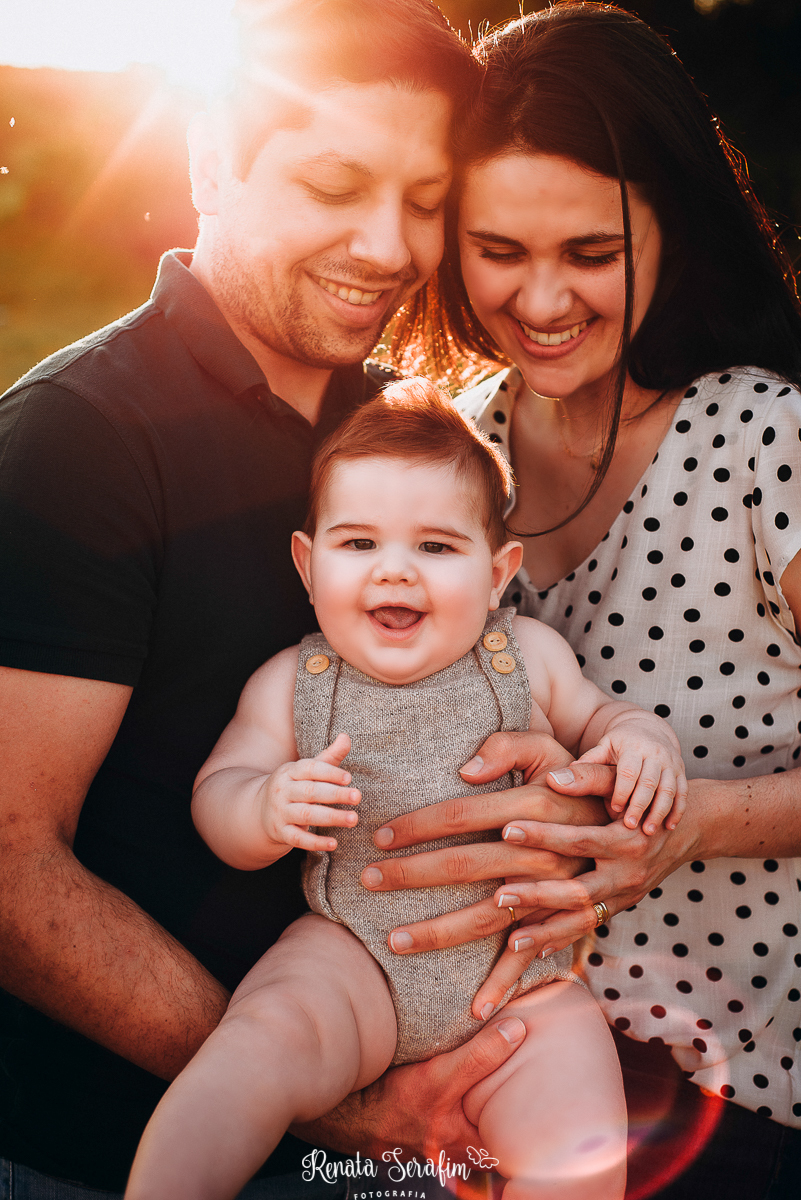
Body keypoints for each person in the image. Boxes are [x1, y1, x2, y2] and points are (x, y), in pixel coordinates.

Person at [0, 3, 547, 1196]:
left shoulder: (403, 432)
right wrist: (323, 1100)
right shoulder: (80, 438)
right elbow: (9, 867)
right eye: (336, 183)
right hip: (112, 1146)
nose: (388, 244)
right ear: (209, 159)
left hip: (399, 1104)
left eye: (422, 200)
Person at [386, 4, 801, 1196]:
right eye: (499, 249)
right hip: (504, 1092)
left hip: (742, 1105)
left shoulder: (760, 438)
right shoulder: (451, 453)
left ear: (671, 227)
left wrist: (697, 825)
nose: (542, 300)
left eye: (591, 252)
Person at [126, 379, 693, 1200]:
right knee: (260, 1039)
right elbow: (219, 792)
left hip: (518, 979)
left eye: (435, 547)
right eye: (358, 545)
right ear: (307, 563)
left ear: (498, 572)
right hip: (355, 956)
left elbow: (601, 717)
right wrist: (265, 805)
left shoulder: (524, 656)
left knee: (580, 1130)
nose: (396, 572)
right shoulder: (295, 682)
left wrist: (641, 736)